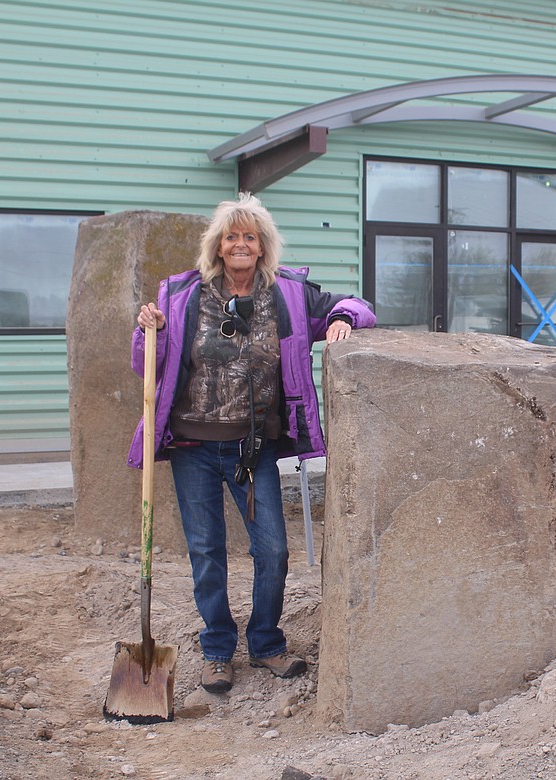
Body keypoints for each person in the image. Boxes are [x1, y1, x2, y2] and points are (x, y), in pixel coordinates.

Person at [127, 193, 375, 692]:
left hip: (252, 448)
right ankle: (217, 647)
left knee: (274, 550)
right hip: (192, 448)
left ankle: (265, 642)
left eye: (250, 237)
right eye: (231, 236)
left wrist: (342, 321)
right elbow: (145, 365)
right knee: (205, 549)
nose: (240, 244)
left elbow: (358, 305)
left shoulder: (288, 294)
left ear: (263, 247)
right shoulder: (182, 295)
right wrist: (146, 332)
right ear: (217, 246)